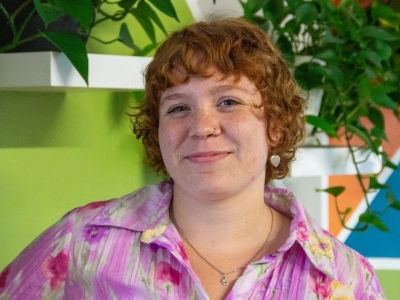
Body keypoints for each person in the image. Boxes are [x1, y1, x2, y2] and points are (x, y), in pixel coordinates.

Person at [0, 18, 385, 300]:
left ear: (277, 126)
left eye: (228, 102)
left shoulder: (344, 277)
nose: (202, 126)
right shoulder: (82, 240)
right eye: (178, 108)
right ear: (157, 130)